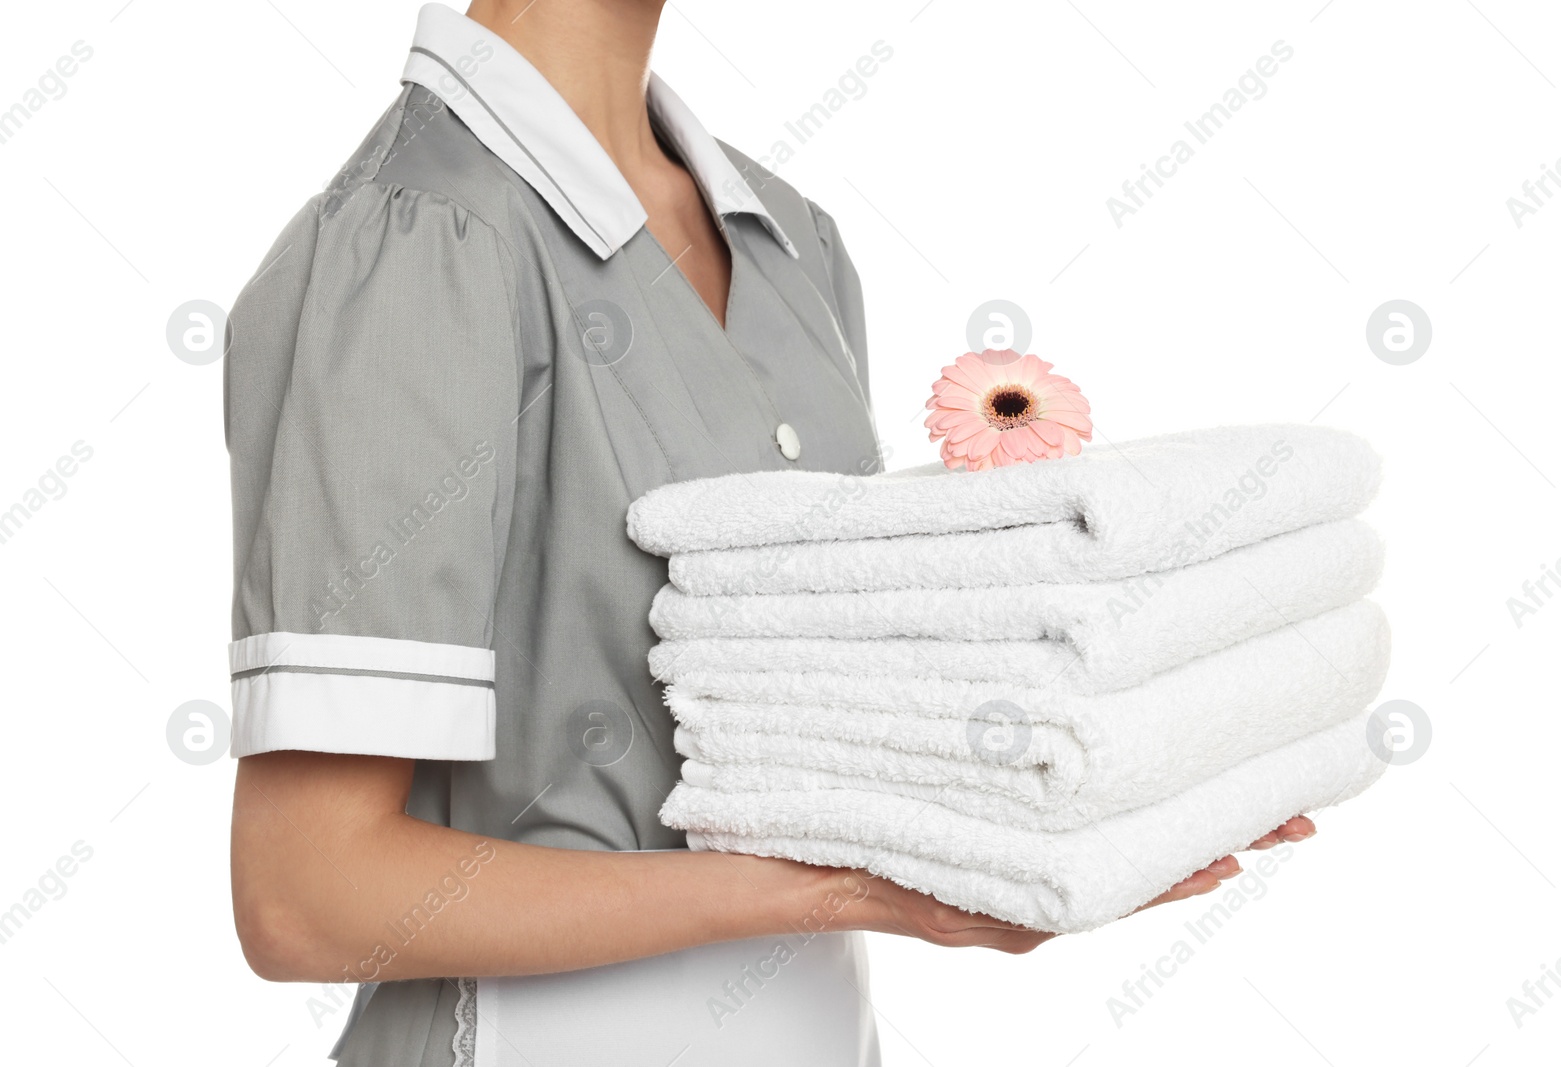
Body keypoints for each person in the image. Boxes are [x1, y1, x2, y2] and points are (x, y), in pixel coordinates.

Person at [224, 3, 1317, 1063]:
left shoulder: (792, 237)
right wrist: (850, 889)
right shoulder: (417, 240)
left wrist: (1068, 808)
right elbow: (304, 893)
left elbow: (833, 710)